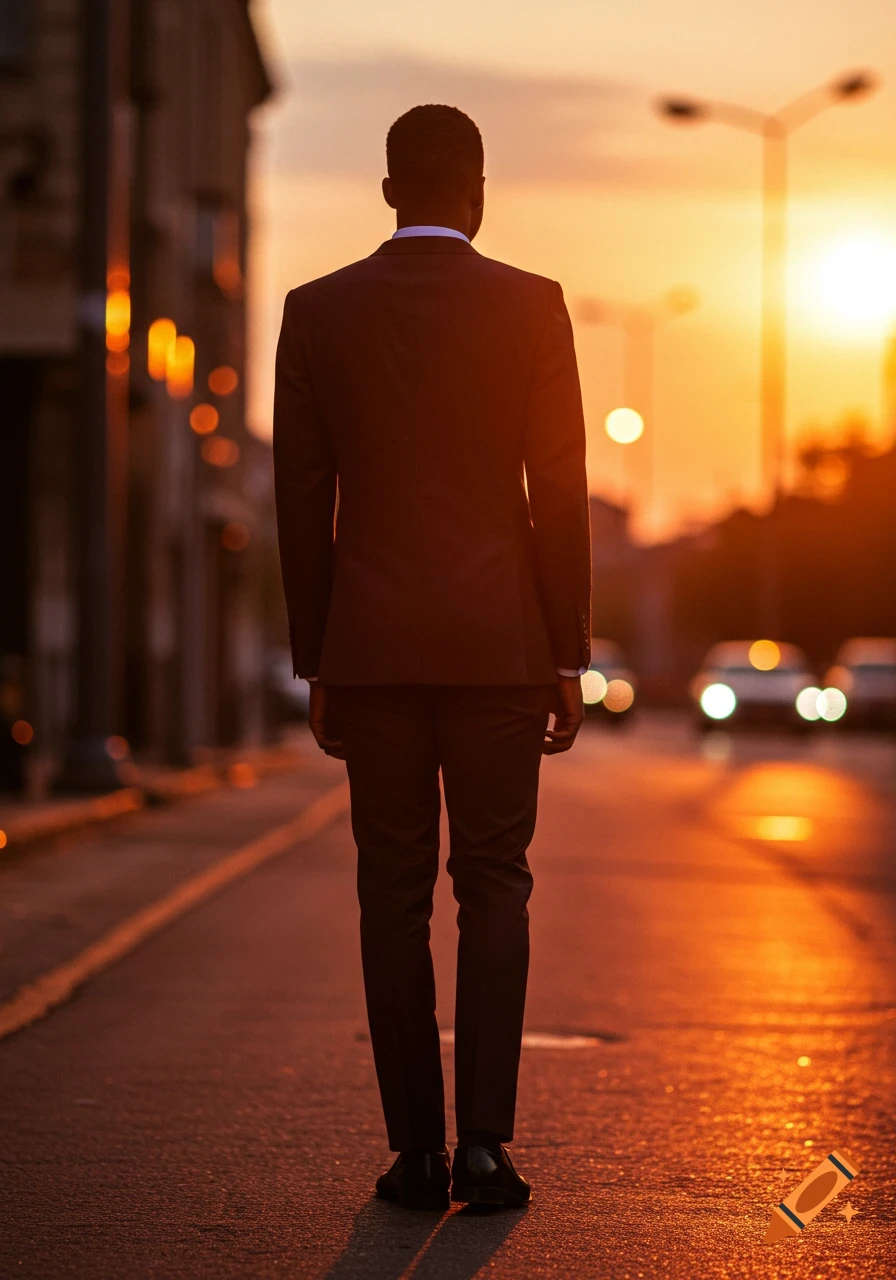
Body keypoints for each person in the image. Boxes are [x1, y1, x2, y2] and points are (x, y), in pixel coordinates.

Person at [273, 104, 591, 1211]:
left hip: (371, 649)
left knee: (391, 892)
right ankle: (485, 1147)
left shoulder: (316, 310)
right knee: (494, 883)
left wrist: (316, 657)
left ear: (386, 191)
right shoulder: (533, 305)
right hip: (501, 645)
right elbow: (558, 488)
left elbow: (301, 494)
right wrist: (566, 653)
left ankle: (413, 1151)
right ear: (478, 193)